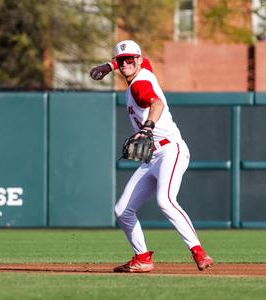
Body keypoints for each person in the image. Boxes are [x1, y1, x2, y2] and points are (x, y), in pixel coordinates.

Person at [89, 40, 213, 273]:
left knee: (165, 200)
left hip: (170, 150)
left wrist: (146, 128)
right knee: (122, 210)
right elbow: (131, 60)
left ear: (137, 60)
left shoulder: (139, 84)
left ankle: (198, 251)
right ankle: (142, 257)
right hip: (152, 156)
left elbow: (156, 104)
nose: (126, 63)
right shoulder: (141, 68)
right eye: (121, 60)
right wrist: (108, 66)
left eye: (130, 59)